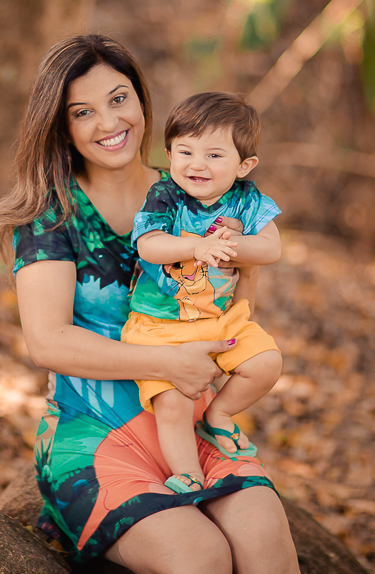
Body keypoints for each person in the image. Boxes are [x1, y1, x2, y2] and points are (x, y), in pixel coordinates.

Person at [0, 35, 299, 574]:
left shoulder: (194, 189)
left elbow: (239, 289)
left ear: (141, 100)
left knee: (263, 538)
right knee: (199, 557)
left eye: (119, 98)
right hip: (94, 433)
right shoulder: (50, 216)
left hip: (192, 423)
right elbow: (47, 341)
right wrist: (167, 363)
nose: (108, 122)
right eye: (82, 112)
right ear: (61, 127)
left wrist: (233, 322)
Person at [123, 91, 284, 496]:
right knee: (172, 404)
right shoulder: (165, 196)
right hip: (160, 324)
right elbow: (148, 246)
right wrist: (196, 247)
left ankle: (219, 414)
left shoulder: (247, 201)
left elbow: (271, 249)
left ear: (243, 165)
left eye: (214, 155)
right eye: (185, 151)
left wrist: (233, 244)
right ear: (169, 153)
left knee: (266, 362)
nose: (197, 164)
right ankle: (188, 473)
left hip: (221, 319)